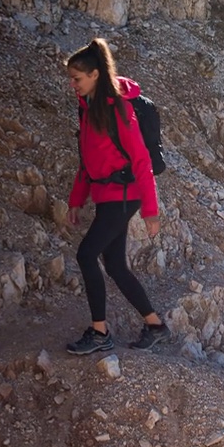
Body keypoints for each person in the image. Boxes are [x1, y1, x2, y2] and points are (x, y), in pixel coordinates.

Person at [65, 38, 171, 354]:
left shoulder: (120, 109)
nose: (73, 85)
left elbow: (141, 161)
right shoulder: (86, 110)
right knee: (114, 265)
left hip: (125, 194)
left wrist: (151, 212)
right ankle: (156, 326)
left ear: (95, 74)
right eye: (71, 78)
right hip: (107, 195)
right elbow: (88, 161)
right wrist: (76, 199)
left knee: (86, 254)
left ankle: (100, 334)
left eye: (77, 78)